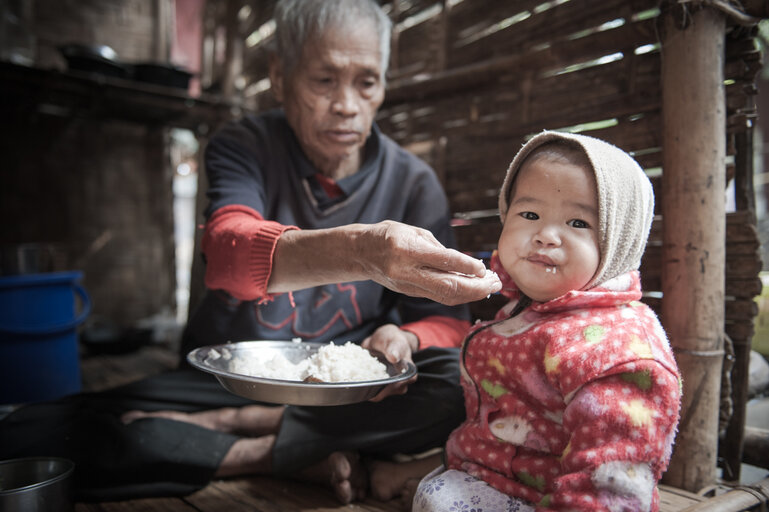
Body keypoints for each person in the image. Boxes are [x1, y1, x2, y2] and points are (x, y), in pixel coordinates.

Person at [0, 0, 500, 506]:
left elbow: (446, 322)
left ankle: (246, 443)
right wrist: (363, 252)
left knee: (457, 390)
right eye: (324, 80)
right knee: (27, 436)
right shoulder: (243, 145)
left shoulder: (414, 184)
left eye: (366, 82)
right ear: (280, 77)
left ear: (383, 86)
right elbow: (228, 254)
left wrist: (406, 336)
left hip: (347, 389)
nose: (347, 104)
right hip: (228, 382)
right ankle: (293, 455)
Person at [409, 131, 682, 511]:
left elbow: (607, 486)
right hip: (492, 479)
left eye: (578, 223)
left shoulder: (616, 353)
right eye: (530, 214)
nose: (546, 235)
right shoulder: (529, 309)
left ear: (619, 243)